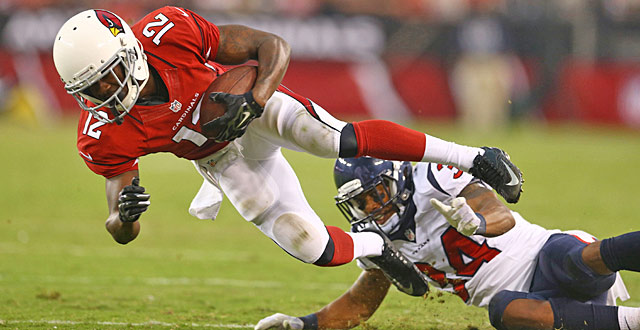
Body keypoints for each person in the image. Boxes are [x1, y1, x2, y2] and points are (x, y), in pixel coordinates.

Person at [51, 7, 523, 295]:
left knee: (336, 137)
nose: (103, 93)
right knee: (309, 246)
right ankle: (376, 246)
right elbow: (119, 226)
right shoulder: (101, 132)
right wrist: (126, 215)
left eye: (108, 76)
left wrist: (253, 99)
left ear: (129, 52)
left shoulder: (168, 32)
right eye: (89, 88)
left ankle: (475, 156)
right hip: (218, 156)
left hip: (248, 107)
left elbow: (271, 44)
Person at [255, 157, 640, 330]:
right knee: (504, 310)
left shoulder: (434, 179)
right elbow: (359, 304)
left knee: (572, 258)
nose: (371, 207)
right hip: (537, 307)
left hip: (545, 255)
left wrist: (476, 222)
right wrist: (301, 325)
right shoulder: (376, 237)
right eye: (360, 202)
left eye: (376, 193)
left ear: (397, 178)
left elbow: (501, 215)